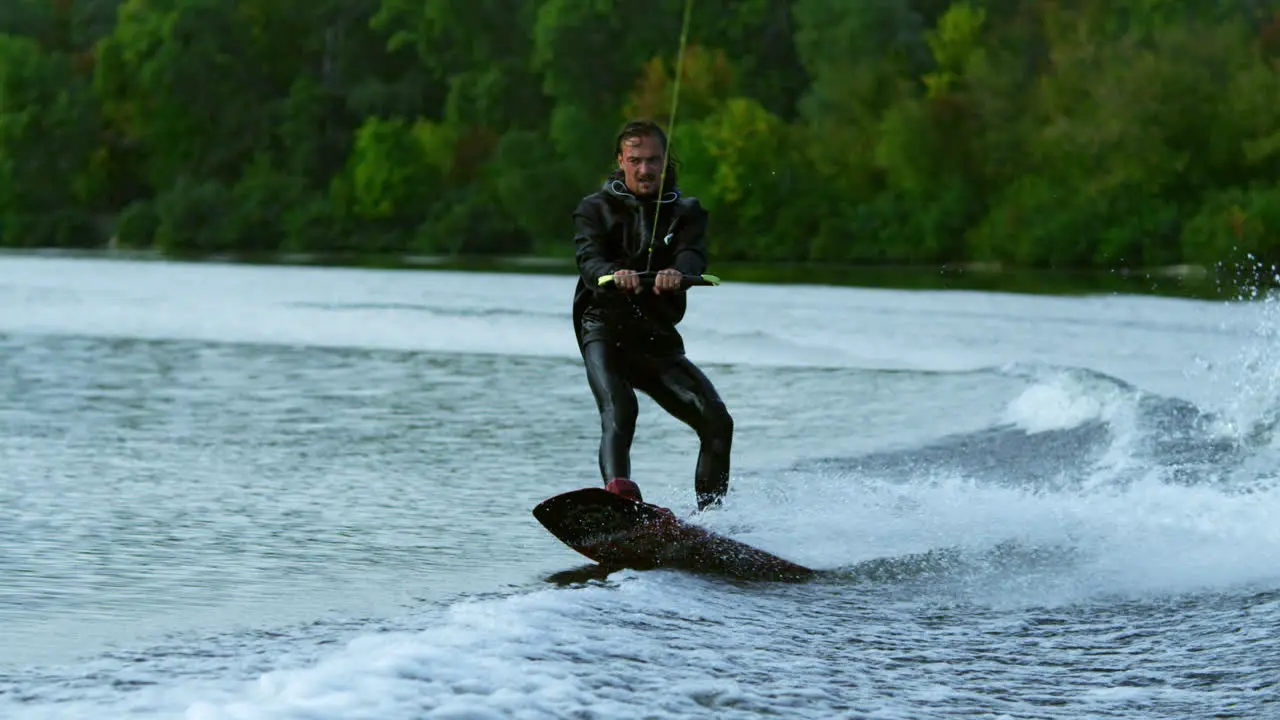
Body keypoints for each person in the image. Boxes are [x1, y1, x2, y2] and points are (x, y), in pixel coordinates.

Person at [570, 119, 734, 512]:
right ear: (620, 161)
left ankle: (712, 520)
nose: (645, 170)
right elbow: (589, 260)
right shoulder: (593, 210)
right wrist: (613, 275)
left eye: (653, 161)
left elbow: (693, 255)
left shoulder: (686, 212)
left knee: (717, 421)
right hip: (604, 331)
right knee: (621, 408)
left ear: (665, 162)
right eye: (636, 160)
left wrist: (679, 273)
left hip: (654, 337)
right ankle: (619, 496)